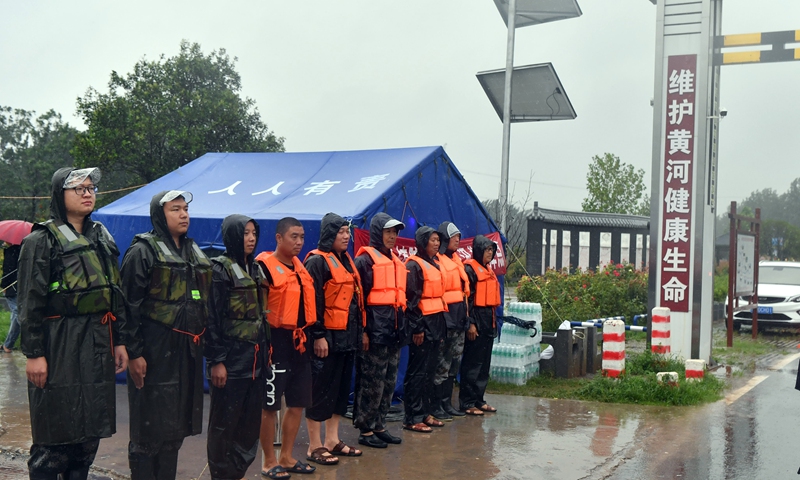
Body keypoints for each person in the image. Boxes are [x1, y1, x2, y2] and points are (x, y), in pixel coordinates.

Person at [18, 167, 130, 480]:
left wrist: (120, 340)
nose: (87, 193)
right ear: (60, 194)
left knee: (88, 436)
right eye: (79, 188)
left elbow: (115, 294)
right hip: (59, 344)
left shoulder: (101, 237)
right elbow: (29, 302)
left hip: (98, 342)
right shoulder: (41, 241)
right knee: (55, 435)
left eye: (91, 188)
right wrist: (34, 354)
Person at [120, 190, 212, 480]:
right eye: (175, 209)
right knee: (148, 434)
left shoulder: (194, 252)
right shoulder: (142, 252)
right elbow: (128, 307)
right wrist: (134, 353)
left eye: (185, 209)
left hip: (186, 353)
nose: (184, 215)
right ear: (160, 215)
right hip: (153, 353)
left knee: (174, 432)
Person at [204, 215, 270, 480]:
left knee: (249, 426)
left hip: (256, 363)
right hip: (231, 364)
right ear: (233, 235)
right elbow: (211, 318)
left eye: (254, 233)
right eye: (245, 233)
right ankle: (221, 475)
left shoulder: (256, 269)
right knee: (224, 426)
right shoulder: (219, 270)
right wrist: (216, 361)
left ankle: (236, 474)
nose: (251, 238)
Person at [256, 217, 318, 479]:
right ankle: (269, 461)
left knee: (297, 403)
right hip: (275, 345)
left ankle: (287, 456)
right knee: (270, 406)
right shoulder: (264, 267)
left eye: (302, 237)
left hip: (300, 344)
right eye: (294, 236)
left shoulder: (300, 267)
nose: (299, 242)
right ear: (279, 238)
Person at [303, 213, 364, 466]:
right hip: (326, 339)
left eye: (348, 232)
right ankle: (314, 445)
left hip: (347, 339)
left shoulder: (346, 261)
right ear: (329, 233)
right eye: (341, 231)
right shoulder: (317, 262)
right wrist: (318, 335)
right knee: (320, 390)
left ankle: (332, 440)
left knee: (339, 391)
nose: (346, 236)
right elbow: (312, 301)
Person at [353, 213, 407, 448]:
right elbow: (358, 301)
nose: (392, 236)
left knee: (388, 383)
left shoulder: (395, 260)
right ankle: (365, 429)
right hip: (374, 333)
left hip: (393, 332)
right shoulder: (365, 261)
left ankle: (379, 425)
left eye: (395, 232)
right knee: (371, 383)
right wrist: (363, 332)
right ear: (377, 233)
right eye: (388, 232)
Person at [403, 226, 448, 432]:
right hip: (422, 325)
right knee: (417, 372)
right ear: (423, 242)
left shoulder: (434, 263)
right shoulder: (414, 265)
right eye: (432, 240)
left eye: (438, 240)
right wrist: (417, 327)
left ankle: (425, 412)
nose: (436, 243)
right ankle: (412, 416)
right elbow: (411, 300)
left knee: (430, 371)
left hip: (436, 324)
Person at [430, 222, 469, 420]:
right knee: (441, 365)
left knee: (454, 363)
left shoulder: (457, 260)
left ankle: (446, 403)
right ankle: (435, 405)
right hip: (446, 320)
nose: (458, 240)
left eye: (459, 236)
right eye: (454, 236)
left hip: (459, 319)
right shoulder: (437, 260)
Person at [459, 235, 502, 416]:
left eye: (491, 250)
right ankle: (467, 402)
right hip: (476, 322)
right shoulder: (470, 269)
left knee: (484, 365)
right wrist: (471, 324)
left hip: (488, 322)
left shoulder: (489, 270)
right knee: (472, 364)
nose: (489, 253)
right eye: (486, 250)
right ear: (478, 250)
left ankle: (479, 399)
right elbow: (466, 300)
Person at [2, 242, 21, 352]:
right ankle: (8, 344)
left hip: (11, 288)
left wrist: (4, 285)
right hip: (21, 286)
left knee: (18, 313)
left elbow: (7, 271)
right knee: (15, 316)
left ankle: (32, 340)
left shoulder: (11, 252)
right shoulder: (23, 250)